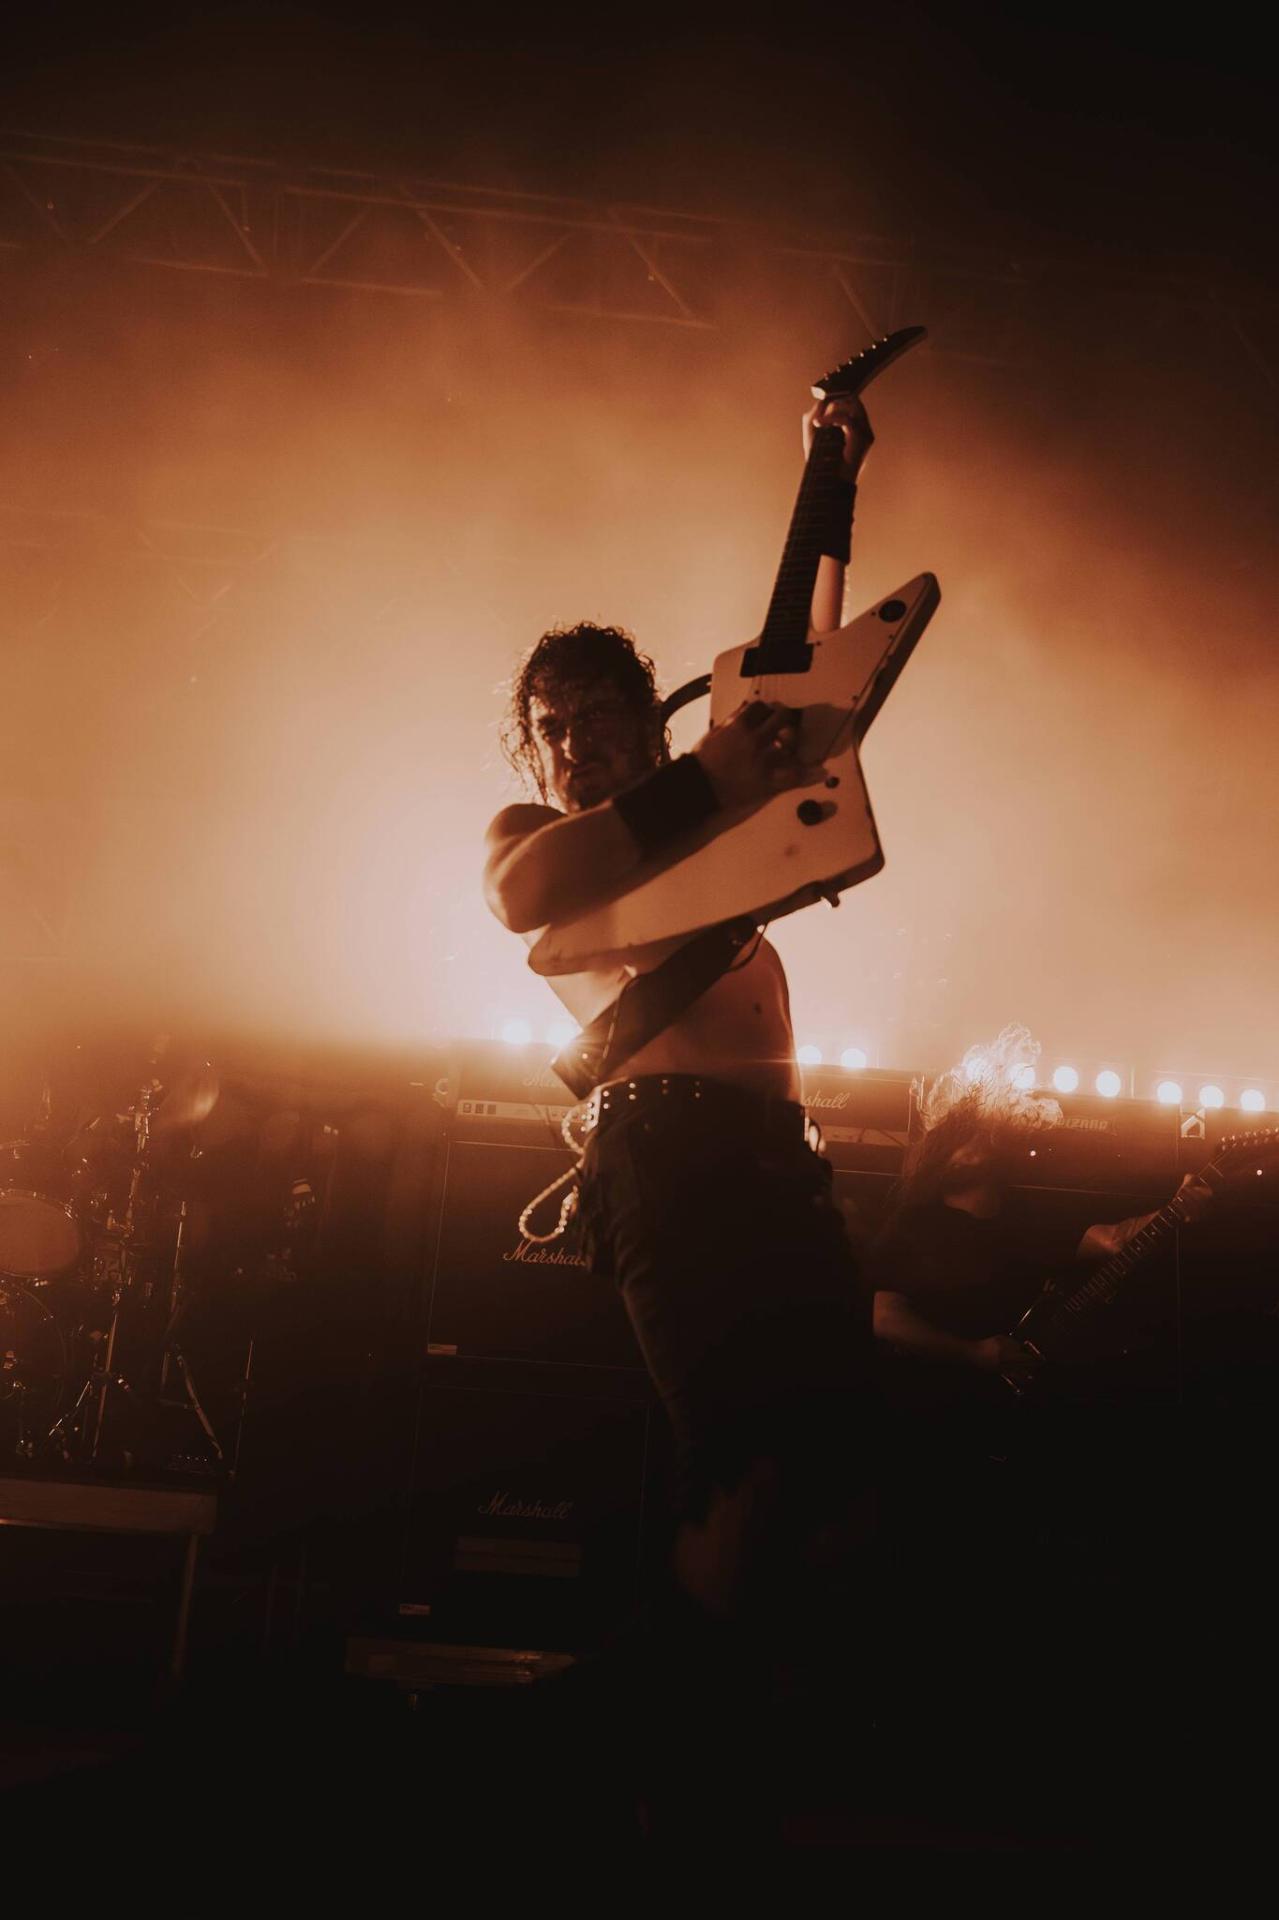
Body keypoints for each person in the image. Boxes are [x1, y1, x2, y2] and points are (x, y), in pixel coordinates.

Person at [483, 388, 876, 1624]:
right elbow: (518, 895)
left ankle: (783, 1695)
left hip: (778, 1162)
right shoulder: (543, 836)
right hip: (666, 1156)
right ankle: (695, 1712)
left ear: (648, 725)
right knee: (735, 1473)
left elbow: (814, 676)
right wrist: (704, 776)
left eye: (597, 717)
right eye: (550, 728)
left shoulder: (716, 807)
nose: (572, 743)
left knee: (832, 1480)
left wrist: (833, 476)